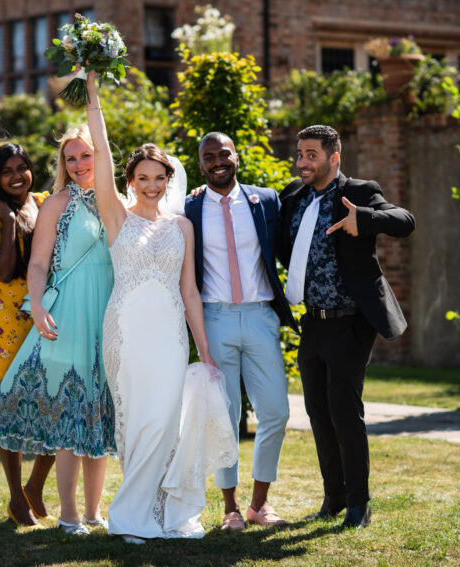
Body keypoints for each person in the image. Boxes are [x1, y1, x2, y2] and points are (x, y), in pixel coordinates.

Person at [85, 72, 237, 543]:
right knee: (138, 423)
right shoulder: (116, 216)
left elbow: (189, 292)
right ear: (129, 181)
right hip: (126, 334)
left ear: (169, 180)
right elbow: (102, 152)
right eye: (142, 178)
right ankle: (131, 516)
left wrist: (204, 352)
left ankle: (160, 512)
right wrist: (92, 92)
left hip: (170, 337)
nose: (151, 186)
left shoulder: (181, 227)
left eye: (159, 178)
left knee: (167, 422)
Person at [279, 125, 415, 529]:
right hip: (313, 321)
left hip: (351, 321)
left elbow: (404, 220)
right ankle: (334, 498)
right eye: (300, 154)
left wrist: (365, 219)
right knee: (318, 412)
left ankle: (359, 503)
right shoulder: (294, 196)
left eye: (312, 155)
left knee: (343, 409)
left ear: (334, 157)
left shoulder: (357, 192)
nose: (302, 162)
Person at [0, 127, 116, 535]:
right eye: (70, 158)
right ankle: (69, 515)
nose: (78, 164)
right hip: (69, 314)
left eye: (85, 155)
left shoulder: (119, 201)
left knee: (98, 409)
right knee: (69, 411)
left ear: (100, 156)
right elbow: (39, 264)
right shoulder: (56, 203)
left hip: (109, 312)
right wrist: (38, 306)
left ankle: (93, 511)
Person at [184, 132, 296, 531]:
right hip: (215, 319)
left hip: (261, 316)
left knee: (276, 412)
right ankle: (230, 507)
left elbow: (286, 248)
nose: (218, 161)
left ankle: (259, 505)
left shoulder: (266, 200)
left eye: (224, 154)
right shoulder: (189, 208)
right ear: (200, 165)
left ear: (236, 157)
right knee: (224, 416)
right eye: (209, 156)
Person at [0, 143, 55, 527]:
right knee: (12, 410)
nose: (17, 176)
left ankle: (34, 487)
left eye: (22, 167)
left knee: (55, 403)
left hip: (46, 313)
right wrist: (8, 221)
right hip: (5, 319)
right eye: (7, 171)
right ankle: (16, 498)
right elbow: (3, 271)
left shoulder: (45, 202)